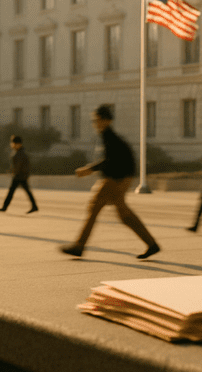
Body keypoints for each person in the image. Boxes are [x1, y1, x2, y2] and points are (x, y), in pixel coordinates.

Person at [60, 105, 160, 260]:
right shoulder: (108, 136)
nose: (95, 123)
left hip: (116, 178)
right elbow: (112, 160)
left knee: (94, 207)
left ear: (107, 120)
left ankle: (79, 245)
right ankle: (152, 244)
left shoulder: (109, 137)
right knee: (124, 214)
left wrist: (89, 169)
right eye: (94, 120)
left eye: (97, 120)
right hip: (121, 176)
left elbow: (109, 161)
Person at [0, 135, 38, 214]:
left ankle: (4, 207)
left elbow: (18, 166)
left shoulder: (20, 153)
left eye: (13, 143)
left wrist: (14, 172)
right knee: (24, 191)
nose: (12, 145)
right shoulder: (20, 152)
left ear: (18, 144)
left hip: (19, 176)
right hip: (21, 175)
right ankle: (34, 206)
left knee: (12, 192)